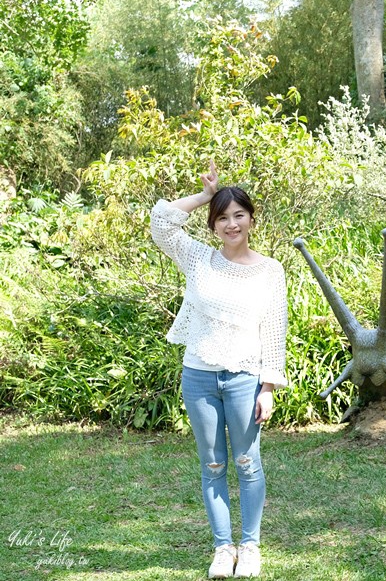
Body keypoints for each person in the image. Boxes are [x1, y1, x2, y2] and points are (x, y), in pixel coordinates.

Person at [150, 162, 288, 579]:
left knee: (248, 462)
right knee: (212, 465)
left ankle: (249, 547)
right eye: (222, 217)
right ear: (213, 224)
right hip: (199, 376)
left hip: (245, 378)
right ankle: (221, 548)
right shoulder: (199, 259)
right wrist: (206, 195)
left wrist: (268, 387)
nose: (231, 224)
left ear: (251, 219)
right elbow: (162, 222)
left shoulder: (270, 270)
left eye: (238, 215)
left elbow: (274, 330)